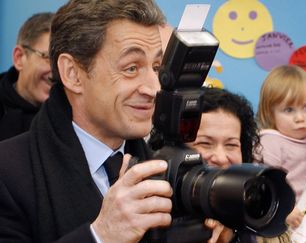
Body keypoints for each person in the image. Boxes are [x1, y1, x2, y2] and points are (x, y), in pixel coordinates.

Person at [0, 1, 229, 242]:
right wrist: (100, 235)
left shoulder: (169, 167)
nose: (153, 88)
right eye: (131, 68)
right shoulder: (8, 173)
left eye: (157, 67)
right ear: (72, 73)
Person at [255, 65, 306, 238]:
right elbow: (262, 184)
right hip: (279, 223)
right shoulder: (270, 141)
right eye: (289, 110)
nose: (300, 118)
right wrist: (284, 210)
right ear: (270, 114)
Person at [188, 87, 261, 243]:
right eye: (205, 143)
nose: (221, 158)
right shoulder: (155, 215)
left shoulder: (258, 216)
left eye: (231, 145)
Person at [0, 12, 54, 141]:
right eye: (47, 58)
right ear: (19, 58)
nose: (56, 71)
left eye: (61, 61)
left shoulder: (72, 115)